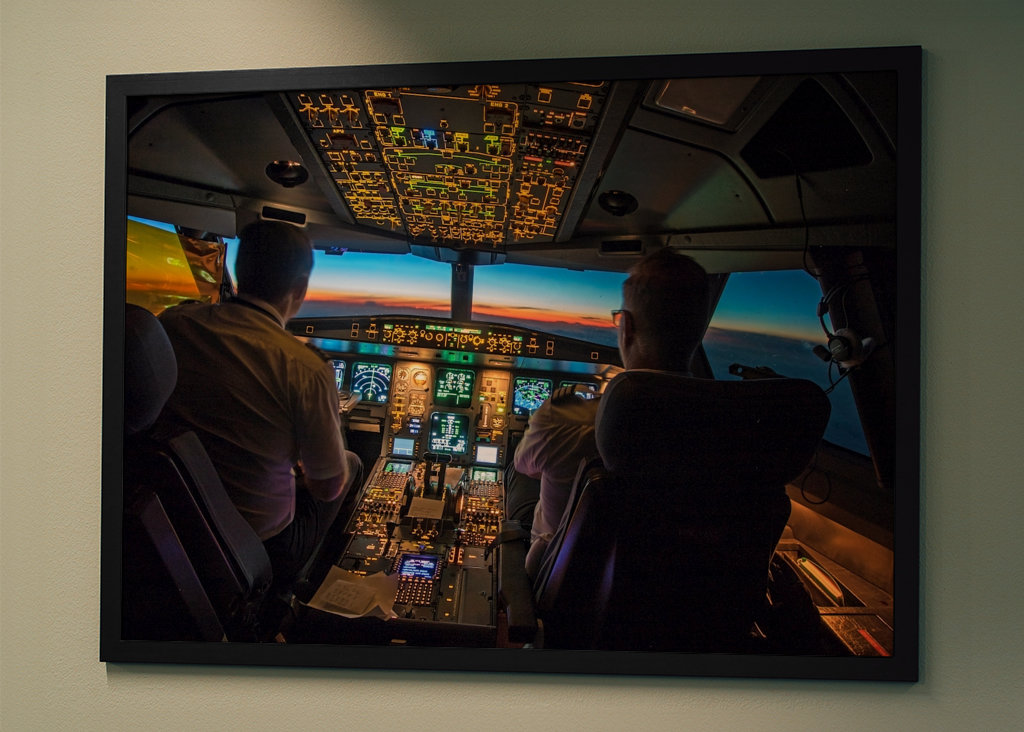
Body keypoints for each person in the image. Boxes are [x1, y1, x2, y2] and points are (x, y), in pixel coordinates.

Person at [155, 220, 361, 592]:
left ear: (239, 272)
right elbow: (327, 488)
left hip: (170, 520)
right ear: (300, 289)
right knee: (351, 464)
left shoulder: (172, 325)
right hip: (258, 547)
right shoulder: (306, 368)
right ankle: (301, 590)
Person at [510, 247, 711, 577]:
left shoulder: (563, 415)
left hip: (559, 583)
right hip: (669, 587)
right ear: (698, 330)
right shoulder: (725, 429)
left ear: (626, 327)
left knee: (519, 469)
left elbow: (523, 466)